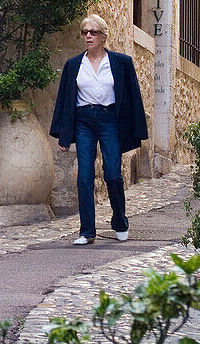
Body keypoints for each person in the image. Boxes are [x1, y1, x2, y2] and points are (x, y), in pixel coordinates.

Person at [49, 14, 148, 246]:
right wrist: (64, 135)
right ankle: (87, 231)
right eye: (85, 32)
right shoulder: (74, 65)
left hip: (109, 119)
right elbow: (65, 99)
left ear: (103, 36)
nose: (88, 36)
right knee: (84, 175)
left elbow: (133, 97)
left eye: (93, 32)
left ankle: (120, 221)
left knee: (112, 174)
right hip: (83, 121)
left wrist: (136, 129)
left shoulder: (121, 63)